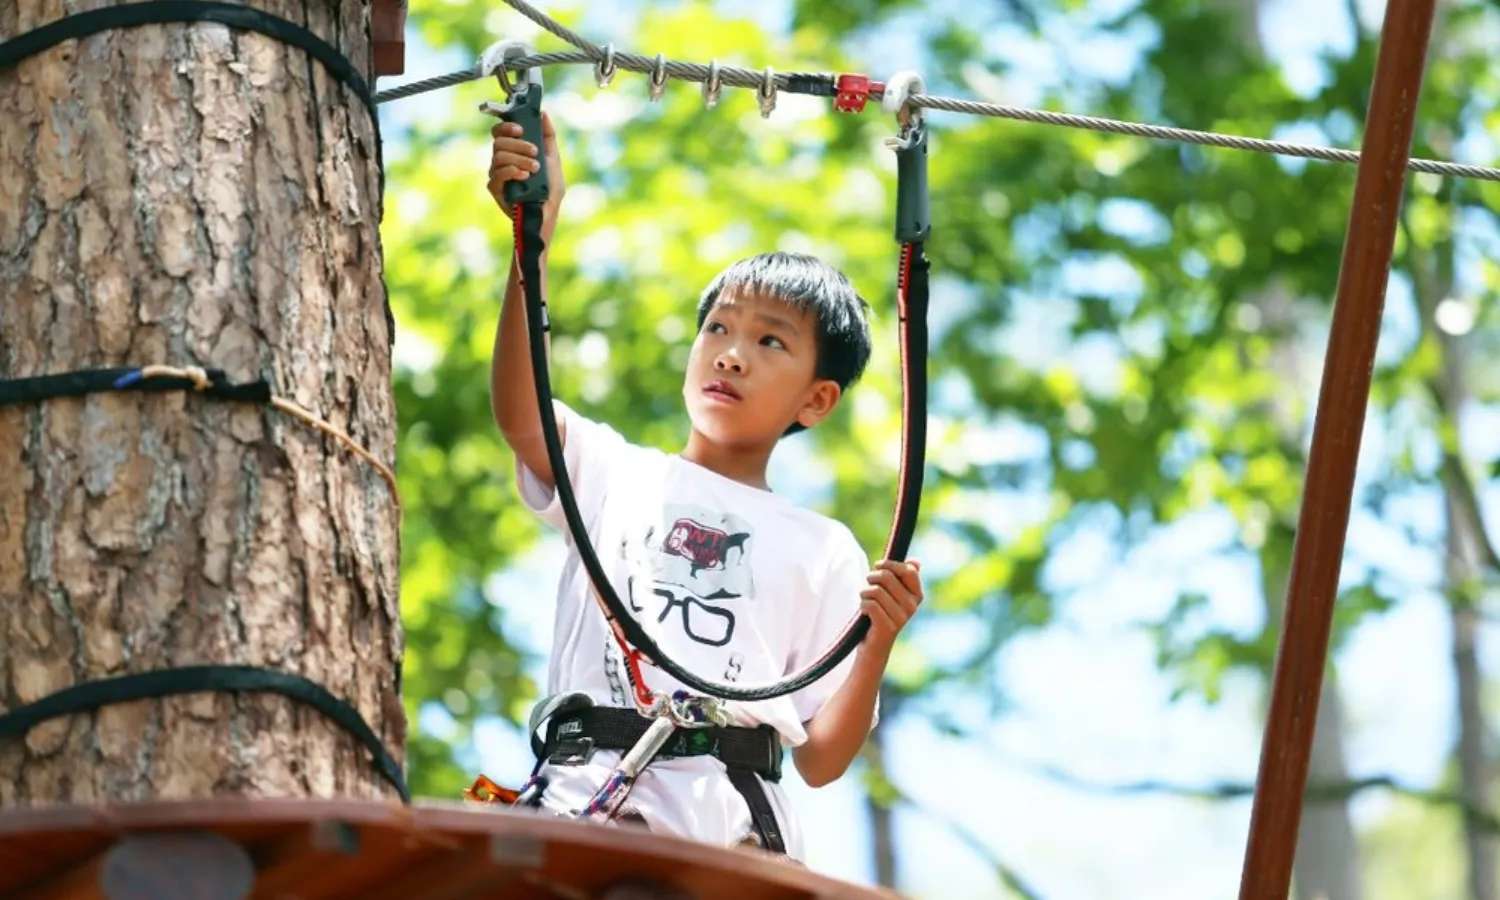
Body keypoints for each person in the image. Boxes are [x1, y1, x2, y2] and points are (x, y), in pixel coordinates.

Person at [486, 111, 924, 862]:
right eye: (718, 330)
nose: (730, 356)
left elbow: (821, 757)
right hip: (585, 811)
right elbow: (520, 410)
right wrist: (535, 239)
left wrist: (879, 640)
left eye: (769, 342)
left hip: (730, 838)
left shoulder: (823, 548)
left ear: (816, 400)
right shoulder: (612, 471)